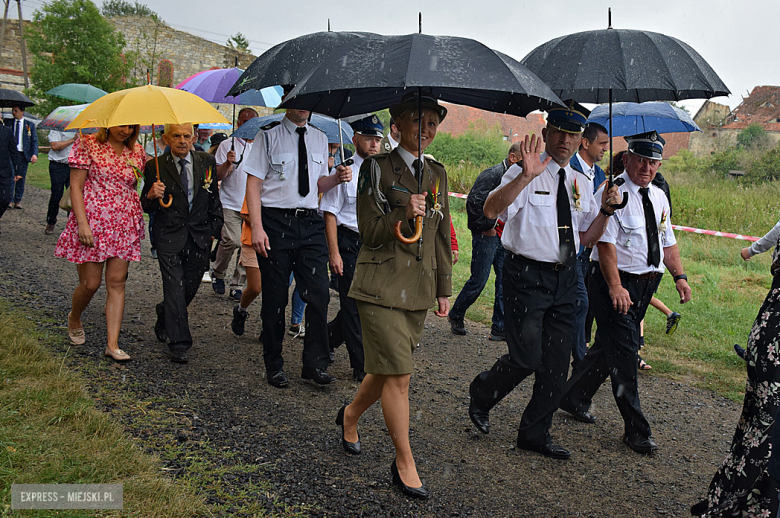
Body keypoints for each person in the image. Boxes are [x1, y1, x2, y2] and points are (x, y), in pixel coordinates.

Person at [467, 101, 621, 460]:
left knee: (556, 362)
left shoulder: (583, 180)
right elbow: (490, 211)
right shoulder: (526, 170)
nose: (566, 140)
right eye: (560, 132)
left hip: (566, 275)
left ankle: (535, 433)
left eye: (574, 134)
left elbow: (585, 238)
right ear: (547, 132)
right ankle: (482, 393)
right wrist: (524, 176)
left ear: (581, 139)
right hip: (526, 274)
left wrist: (605, 212)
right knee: (526, 357)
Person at [337, 93, 451, 499]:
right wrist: (403, 213)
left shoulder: (437, 172)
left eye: (432, 122)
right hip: (380, 286)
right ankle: (404, 462)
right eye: (417, 120)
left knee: (386, 369)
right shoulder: (375, 168)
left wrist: (443, 290)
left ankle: (350, 415)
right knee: (400, 375)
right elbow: (368, 231)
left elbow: (439, 236)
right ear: (397, 124)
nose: (425, 128)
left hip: (417, 290)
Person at [559, 131, 692, 454]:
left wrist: (679, 276)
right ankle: (636, 430)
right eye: (641, 160)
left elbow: (667, 240)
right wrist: (616, 285)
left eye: (653, 162)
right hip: (614, 283)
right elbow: (604, 244)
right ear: (627, 159)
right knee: (626, 353)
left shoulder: (658, 196)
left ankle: (574, 396)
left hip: (647, 285)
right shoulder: (613, 193)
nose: (647, 167)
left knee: (608, 348)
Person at [244, 95, 350, 388]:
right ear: (286, 102)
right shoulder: (268, 137)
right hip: (276, 222)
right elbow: (253, 184)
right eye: (298, 99)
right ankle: (274, 363)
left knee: (319, 294)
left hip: (310, 221)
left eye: (308, 99)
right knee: (276, 298)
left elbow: (318, 184)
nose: (304, 105)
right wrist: (257, 227)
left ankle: (314, 364)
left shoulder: (319, 138)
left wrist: (336, 178)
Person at [691, 218, 780, 517]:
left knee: (758, 422)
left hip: (769, 329)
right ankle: (748, 504)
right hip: (774, 339)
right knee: (766, 428)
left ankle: (730, 495)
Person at [54, 125, 147, 361]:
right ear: (108, 122)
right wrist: (82, 224)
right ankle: (75, 316)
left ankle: (112, 344)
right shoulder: (88, 144)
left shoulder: (137, 151)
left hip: (124, 223)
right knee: (91, 284)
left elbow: (135, 186)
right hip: (93, 222)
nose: (126, 130)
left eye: (131, 126)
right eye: (122, 125)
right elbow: (75, 186)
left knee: (117, 282)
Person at [141, 123, 223, 363]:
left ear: (194, 137)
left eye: (187, 136)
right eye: (176, 136)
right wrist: (150, 195)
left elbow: (213, 198)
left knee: (189, 286)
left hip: (199, 235)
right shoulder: (154, 166)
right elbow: (147, 206)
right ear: (166, 138)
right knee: (174, 286)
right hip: (168, 235)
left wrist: (214, 230)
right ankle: (179, 342)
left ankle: (165, 312)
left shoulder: (206, 162)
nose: (182, 141)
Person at [321, 114, 383, 382]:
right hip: (348, 242)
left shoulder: (383, 171)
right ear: (355, 138)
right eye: (368, 138)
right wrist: (334, 253)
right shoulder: (345, 171)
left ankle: (325, 339)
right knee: (352, 305)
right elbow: (330, 213)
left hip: (373, 245)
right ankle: (361, 365)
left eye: (377, 139)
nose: (374, 144)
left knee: (365, 304)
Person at [448, 143, 521, 341]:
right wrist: (486, 227)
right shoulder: (493, 174)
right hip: (486, 235)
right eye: (524, 160)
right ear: (513, 158)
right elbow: (473, 201)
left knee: (504, 282)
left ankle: (499, 327)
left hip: (504, 238)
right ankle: (456, 313)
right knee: (479, 280)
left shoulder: (519, 177)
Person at [569, 122, 608, 368]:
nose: (606, 149)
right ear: (585, 142)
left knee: (583, 304)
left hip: (590, 251)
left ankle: (575, 348)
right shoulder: (569, 168)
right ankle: (578, 358)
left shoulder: (602, 175)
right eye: (602, 143)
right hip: (571, 248)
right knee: (580, 303)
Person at [213, 107, 259, 301]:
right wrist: (227, 164)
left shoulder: (260, 145)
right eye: (243, 121)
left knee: (247, 246)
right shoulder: (227, 145)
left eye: (250, 121)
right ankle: (218, 272)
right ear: (238, 123)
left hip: (251, 205)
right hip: (231, 202)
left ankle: (237, 284)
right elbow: (218, 175)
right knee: (231, 240)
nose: (246, 125)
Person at [230, 195, 261, 336]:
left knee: (274, 289)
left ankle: (269, 325)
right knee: (255, 287)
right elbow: (244, 213)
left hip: (277, 243)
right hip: (252, 241)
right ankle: (241, 310)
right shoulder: (255, 184)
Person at [5, 105, 38, 209]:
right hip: (11, 153)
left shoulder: (29, 125)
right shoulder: (8, 123)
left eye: (16, 111)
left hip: (23, 154)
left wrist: (34, 153)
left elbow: (34, 140)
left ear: (22, 112)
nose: (14, 113)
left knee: (21, 177)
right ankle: (9, 199)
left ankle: (17, 200)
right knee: (10, 176)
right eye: (13, 111)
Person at [45, 129, 78, 235]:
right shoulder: (57, 129)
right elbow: (54, 146)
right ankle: (51, 221)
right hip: (58, 165)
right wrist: (73, 139)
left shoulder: (81, 130)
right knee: (56, 195)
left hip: (74, 166)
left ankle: (71, 225)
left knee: (74, 195)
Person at [0, 124, 18, 233]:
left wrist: (18, 170)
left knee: (5, 199)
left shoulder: (7, 131)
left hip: (4, 170)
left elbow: (13, 151)